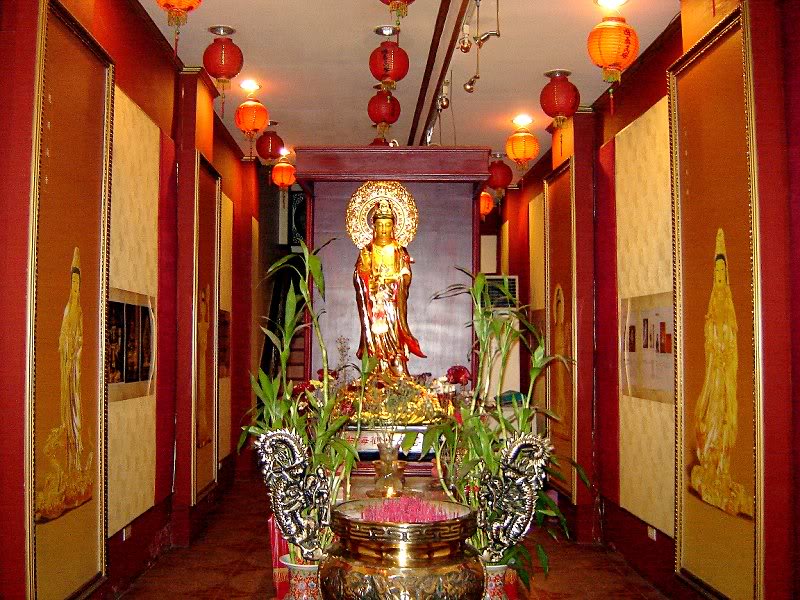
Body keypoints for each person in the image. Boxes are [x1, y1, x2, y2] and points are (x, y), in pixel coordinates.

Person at [690, 228, 752, 517]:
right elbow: (708, 343)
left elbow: (734, 345)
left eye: (721, 273)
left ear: (725, 276)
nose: (717, 276)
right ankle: (710, 464)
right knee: (710, 416)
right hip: (714, 374)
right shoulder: (712, 310)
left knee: (727, 417)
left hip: (725, 376)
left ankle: (721, 471)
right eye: (714, 273)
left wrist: (726, 357)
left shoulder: (728, 308)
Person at [353, 199, 425, 377]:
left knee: (394, 335)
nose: (383, 229)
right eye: (380, 225)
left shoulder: (399, 250)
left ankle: (395, 369)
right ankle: (375, 372)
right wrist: (368, 279)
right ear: (374, 227)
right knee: (375, 337)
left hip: (392, 302)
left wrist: (396, 281)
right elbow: (358, 277)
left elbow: (406, 275)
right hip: (373, 302)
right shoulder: (367, 251)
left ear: (393, 226)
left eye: (387, 225)